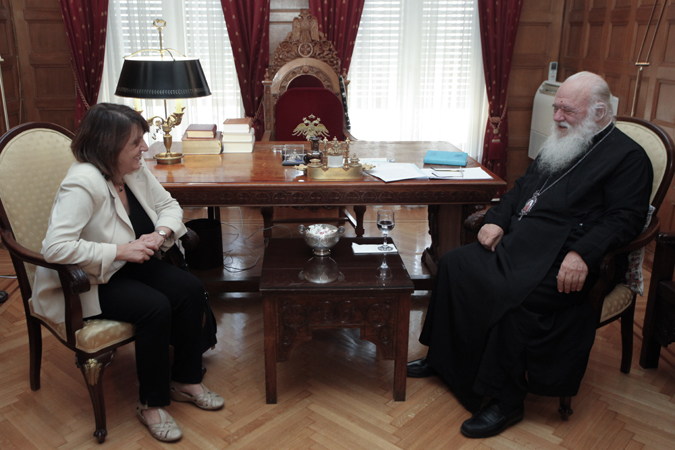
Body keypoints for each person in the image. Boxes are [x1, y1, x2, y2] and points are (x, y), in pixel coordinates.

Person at [407, 72, 653, 438]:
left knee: (512, 296)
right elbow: (524, 188)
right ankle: (442, 360)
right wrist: (497, 219)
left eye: (567, 110)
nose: (557, 117)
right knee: (456, 265)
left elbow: (625, 218)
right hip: (523, 243)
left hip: (566, 256)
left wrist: (582, 254)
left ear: (599, 112)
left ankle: (506, 401)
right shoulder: (564, 141)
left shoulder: (628, 158)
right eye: (556, 108)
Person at [32, 103, 223, 442]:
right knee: (154, 307)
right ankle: (151, 404)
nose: (144, 148)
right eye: (135, 142)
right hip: (89, 281)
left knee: (190, 289)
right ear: (109, 145)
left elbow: (169, 206)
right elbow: (55, 248)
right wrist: (120, 251)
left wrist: (160, 234)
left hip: (129, 265)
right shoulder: (82, 183)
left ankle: (186, 379)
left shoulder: (131, 169)